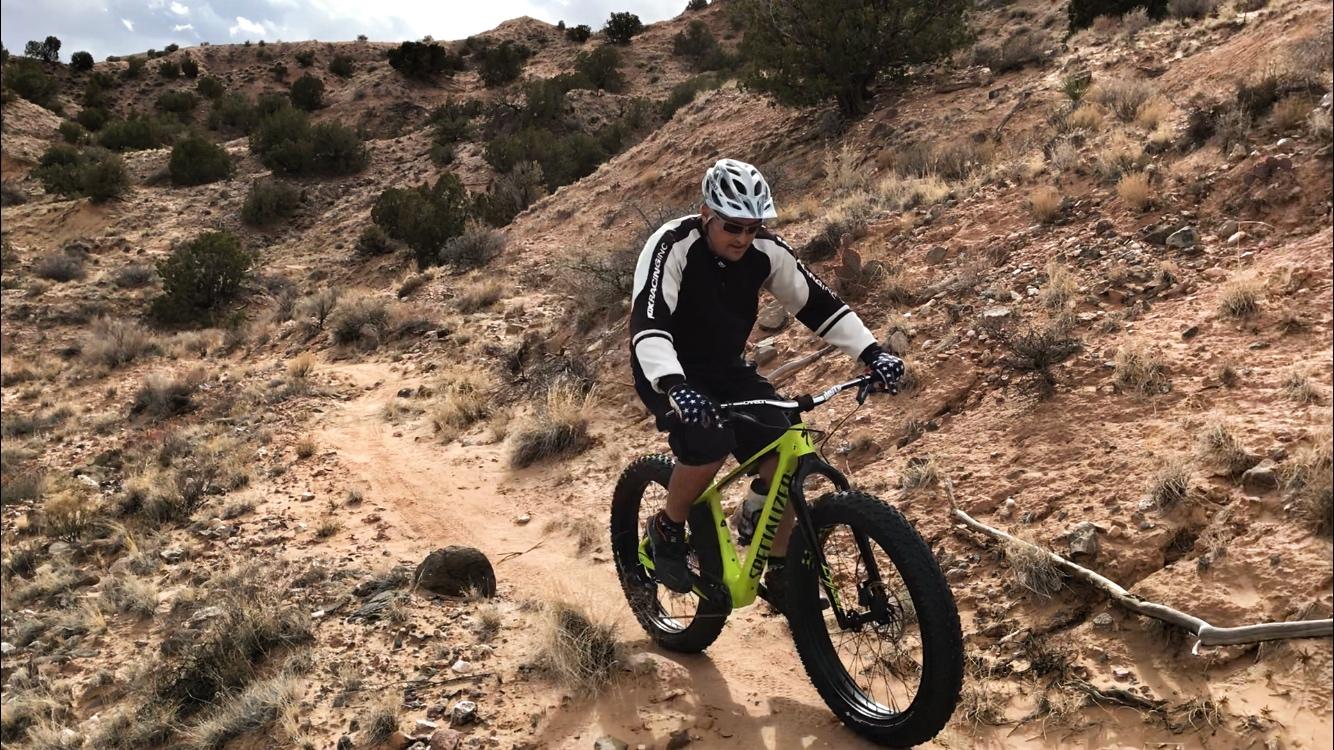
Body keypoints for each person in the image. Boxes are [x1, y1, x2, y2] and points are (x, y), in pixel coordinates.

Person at [628, 158, 904, 603]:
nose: (742, 238)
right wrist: (674, 385)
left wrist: (872, 351)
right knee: (708, 441)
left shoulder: (765, 253)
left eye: (751, 228)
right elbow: (649, 321)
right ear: (706, 214)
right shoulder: (671, 245)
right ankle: (667, 528)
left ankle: (775, 562)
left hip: (724, 366)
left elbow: (818, 304)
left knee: (787, 448)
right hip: (666, 365)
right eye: (732, 227)